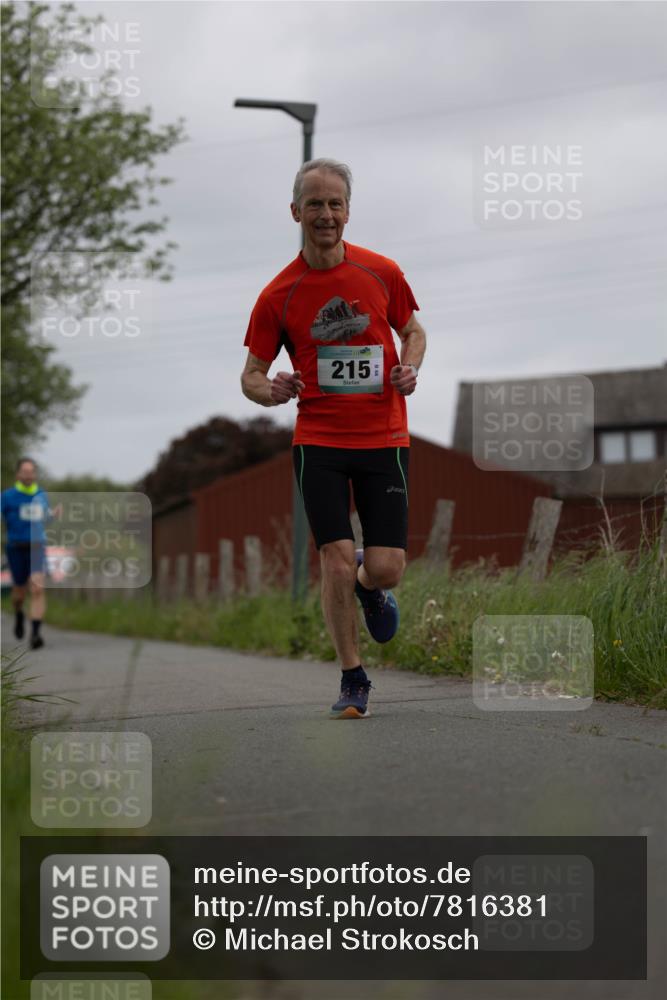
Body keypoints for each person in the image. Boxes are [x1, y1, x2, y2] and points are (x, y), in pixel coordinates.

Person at [241, 158, 426, 719]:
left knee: (386, 565)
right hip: (318, 441)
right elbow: (250, 375)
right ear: (296, 212)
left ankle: (374, 586)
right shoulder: (279, 295)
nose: (326, 214)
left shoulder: (381, 272)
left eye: (335, 203)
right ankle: (353, 676)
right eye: (315, 204)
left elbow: (413, 330)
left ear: (348, 211)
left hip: (385, 435)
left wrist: (410, 368)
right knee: (335, 559)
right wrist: (269, 390)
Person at [1, 458, 50, 649]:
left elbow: (45, 517)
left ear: (35, 474)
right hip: (15, 546)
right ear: (18, 474)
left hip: (37, 545)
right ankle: (19, 613)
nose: (29, 475)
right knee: (19, 594)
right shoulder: (7, 496)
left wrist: (53, 514)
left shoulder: (41, 494)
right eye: (25, 471)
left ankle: (36, 634)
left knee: (37, 588)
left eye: (32, 471)